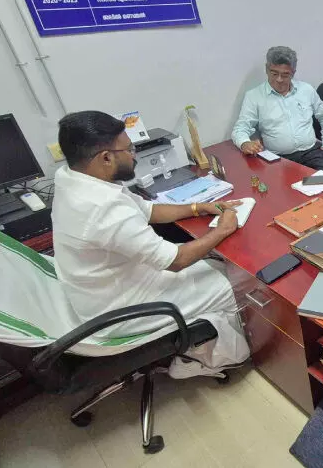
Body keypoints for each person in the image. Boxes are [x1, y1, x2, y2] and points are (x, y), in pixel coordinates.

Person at [52, 111, 250, 379]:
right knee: (239, 285)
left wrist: (198, 207)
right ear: (106, 158)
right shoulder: (102, 209)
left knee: (215, 263)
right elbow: (177, 260)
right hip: (122, 310)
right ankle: (201, 360)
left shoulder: (74, 179)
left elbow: (147, 210)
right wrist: (223, 229)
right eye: (128, 149)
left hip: (107, 289)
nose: (134, 155)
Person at [231, 46, 323, 175]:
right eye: (274, 73)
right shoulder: (254, 96)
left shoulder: (306, 90)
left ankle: (309, 184)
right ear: (266, 69)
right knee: (282, 186)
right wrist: (244, 143)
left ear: (293, 72)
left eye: (285, 75)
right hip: (278, 158)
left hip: (311, 153)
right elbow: (240, 128)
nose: (279, 79)